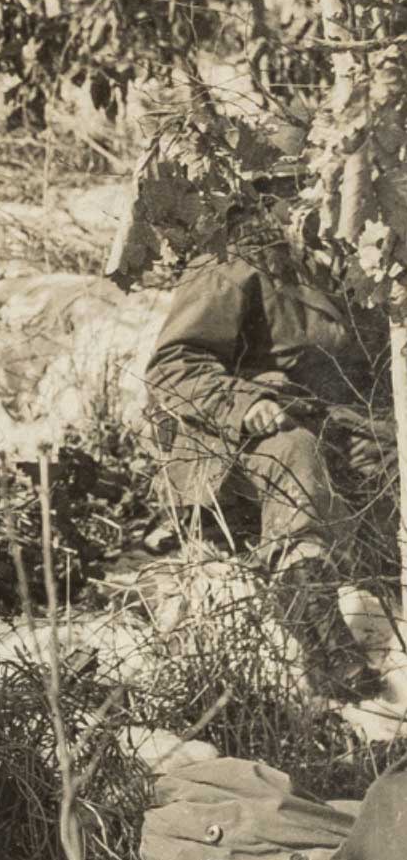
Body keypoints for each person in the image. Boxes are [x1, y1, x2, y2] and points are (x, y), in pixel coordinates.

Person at [145, 241, 396, 703]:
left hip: (338, 425)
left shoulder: (367, 257)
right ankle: (326, 649)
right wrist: (245, 403)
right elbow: (172, 365)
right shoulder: (230, 264)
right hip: (234, 438)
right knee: (295, 455)